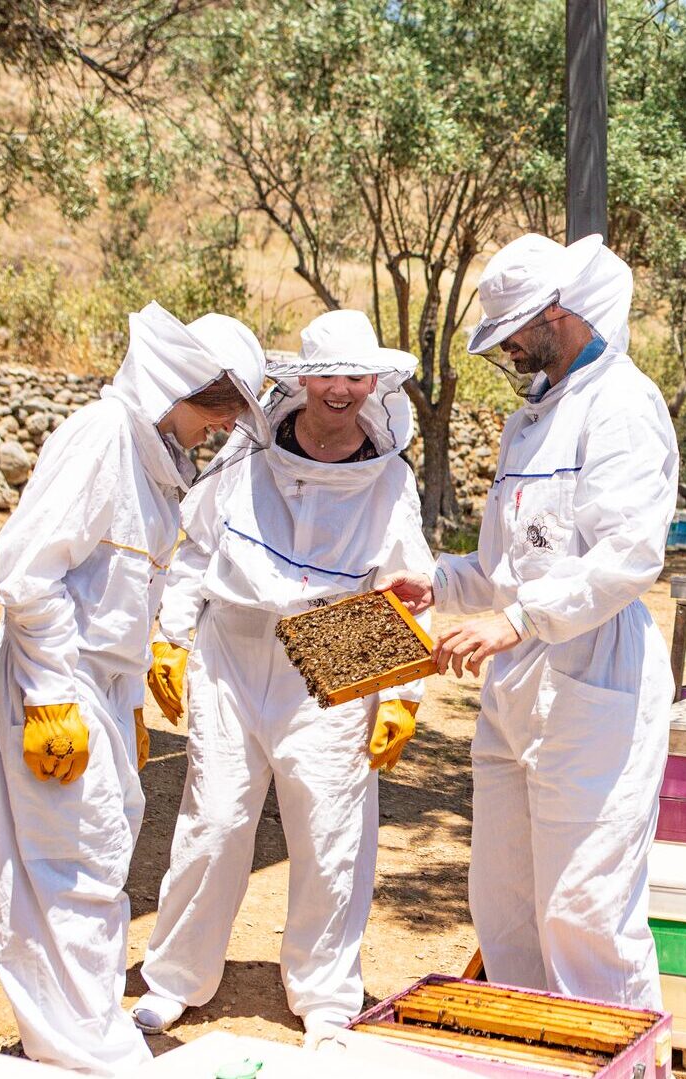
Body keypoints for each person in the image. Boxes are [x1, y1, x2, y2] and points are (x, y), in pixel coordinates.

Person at [385, 233, 679, 1010]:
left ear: (557, 311)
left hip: (595, 681)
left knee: (584, 909)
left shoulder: (621, 403)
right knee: (506, 898)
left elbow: (627, 556)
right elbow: (501, 567)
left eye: (514, 330)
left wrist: (516, 619)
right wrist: (439, 582)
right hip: (517, 686)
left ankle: (617, 1057)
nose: (509, 349)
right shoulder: (527, 425)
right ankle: (529, 1054)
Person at [133, 310, 435, 1045]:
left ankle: (327, 993)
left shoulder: (390, 476)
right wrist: (169, 637)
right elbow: (198, 548)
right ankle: (175, 978)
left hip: (337, 649)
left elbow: (406, 581)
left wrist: (401, 692)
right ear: (302, 380)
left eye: (356, 376)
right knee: (215, 818)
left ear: (375, 382)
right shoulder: (248, 448)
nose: (342, 390)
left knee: (330, 827)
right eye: (328, 374)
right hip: (234, 646)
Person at [0, 302, 267, 1075]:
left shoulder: (152, 462)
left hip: (98, 684)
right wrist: (49, 696)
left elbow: (123, 589)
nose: (214, 430)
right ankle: (76, 1045)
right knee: (66, 860)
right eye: (214, 411)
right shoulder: (99, 437)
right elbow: (25, 569)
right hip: (60, 677)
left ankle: (81, 1025)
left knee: (100, 852)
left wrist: (131, 695)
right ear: (175, 384)